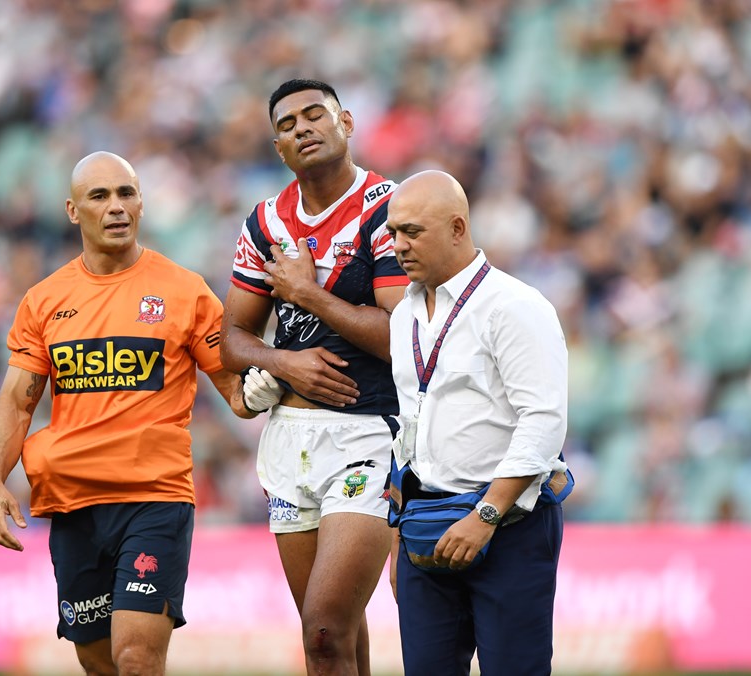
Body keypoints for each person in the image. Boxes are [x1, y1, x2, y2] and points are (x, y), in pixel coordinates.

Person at [0, 151, 261, 676]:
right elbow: (17, 402)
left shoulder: (185, 290)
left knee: (135, 657)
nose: (116, 207)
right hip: (72, 503)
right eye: (100, 196)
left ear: (141, 204)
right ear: (72, 210)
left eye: (126, 194)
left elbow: (239, 395)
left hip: (153, 499)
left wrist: (275, 378)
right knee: (99, 662)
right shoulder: (44, 300)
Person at [220, 78, 409, 675]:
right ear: (277, 146)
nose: (301, 128)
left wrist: (308, 294)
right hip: (289, 440)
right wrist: (280, 361)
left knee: (325, 626)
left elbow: (400, 332)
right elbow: (230, 338)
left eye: (314, 115)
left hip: (368, 437)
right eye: (286, 124)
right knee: (332, 643)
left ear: (346, 122)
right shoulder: (265, 222)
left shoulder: (387, 207)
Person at [385, 169, 571, 676]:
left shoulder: (515, 305)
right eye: (393, 232)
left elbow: (544, 420)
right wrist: (399, 536)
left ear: (458, 228)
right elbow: (408, 426)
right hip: (426, 527)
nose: (399, 245)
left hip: (507, 526)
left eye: (413, 231)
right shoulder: (403, 316)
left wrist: (485, 516)